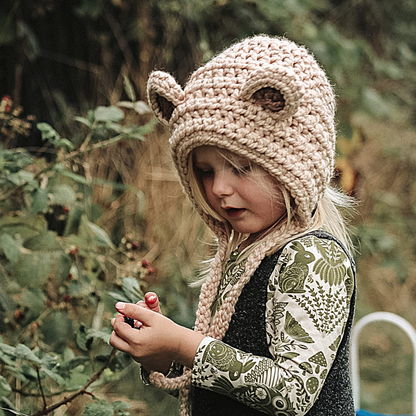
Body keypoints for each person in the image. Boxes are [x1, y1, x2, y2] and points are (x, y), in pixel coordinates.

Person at [110, 35, 356, 416]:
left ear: (294, 167)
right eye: (205, 172)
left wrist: (183, 344)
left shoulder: (313, 256)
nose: (220, 188)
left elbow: (292, 392)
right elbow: (227, 381)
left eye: (241, 168)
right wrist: (163, 352)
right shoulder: (244, 251)